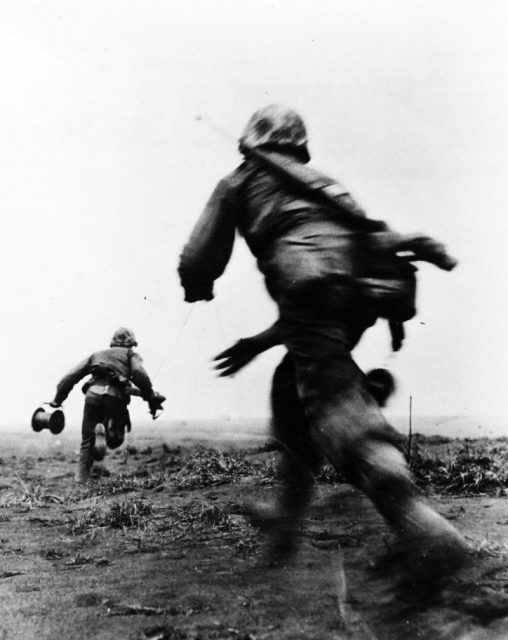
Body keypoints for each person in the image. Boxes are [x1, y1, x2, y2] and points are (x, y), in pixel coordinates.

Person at [178, 104, 469, 582]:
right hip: (355, 294)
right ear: (299, 144)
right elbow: (332, 276)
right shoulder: (323, 184)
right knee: (293, 382)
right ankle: (287, 516)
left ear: (253, 138)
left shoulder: (242, 179)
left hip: (310, 290)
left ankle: (429, 534)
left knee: (335, 406)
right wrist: (258, 341)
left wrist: (198, 284)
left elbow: (198, 257)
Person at [51, 327, 164, 483]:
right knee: (115, 439)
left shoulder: (97, 355)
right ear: (131, 342)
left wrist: (58, 399)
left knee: (87, 442)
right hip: (114, 398)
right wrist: (150, 394)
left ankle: (80, 480)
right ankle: (106, 432)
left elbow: (70, 376)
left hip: (92, 397)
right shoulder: (131, 355)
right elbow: (139, 373)